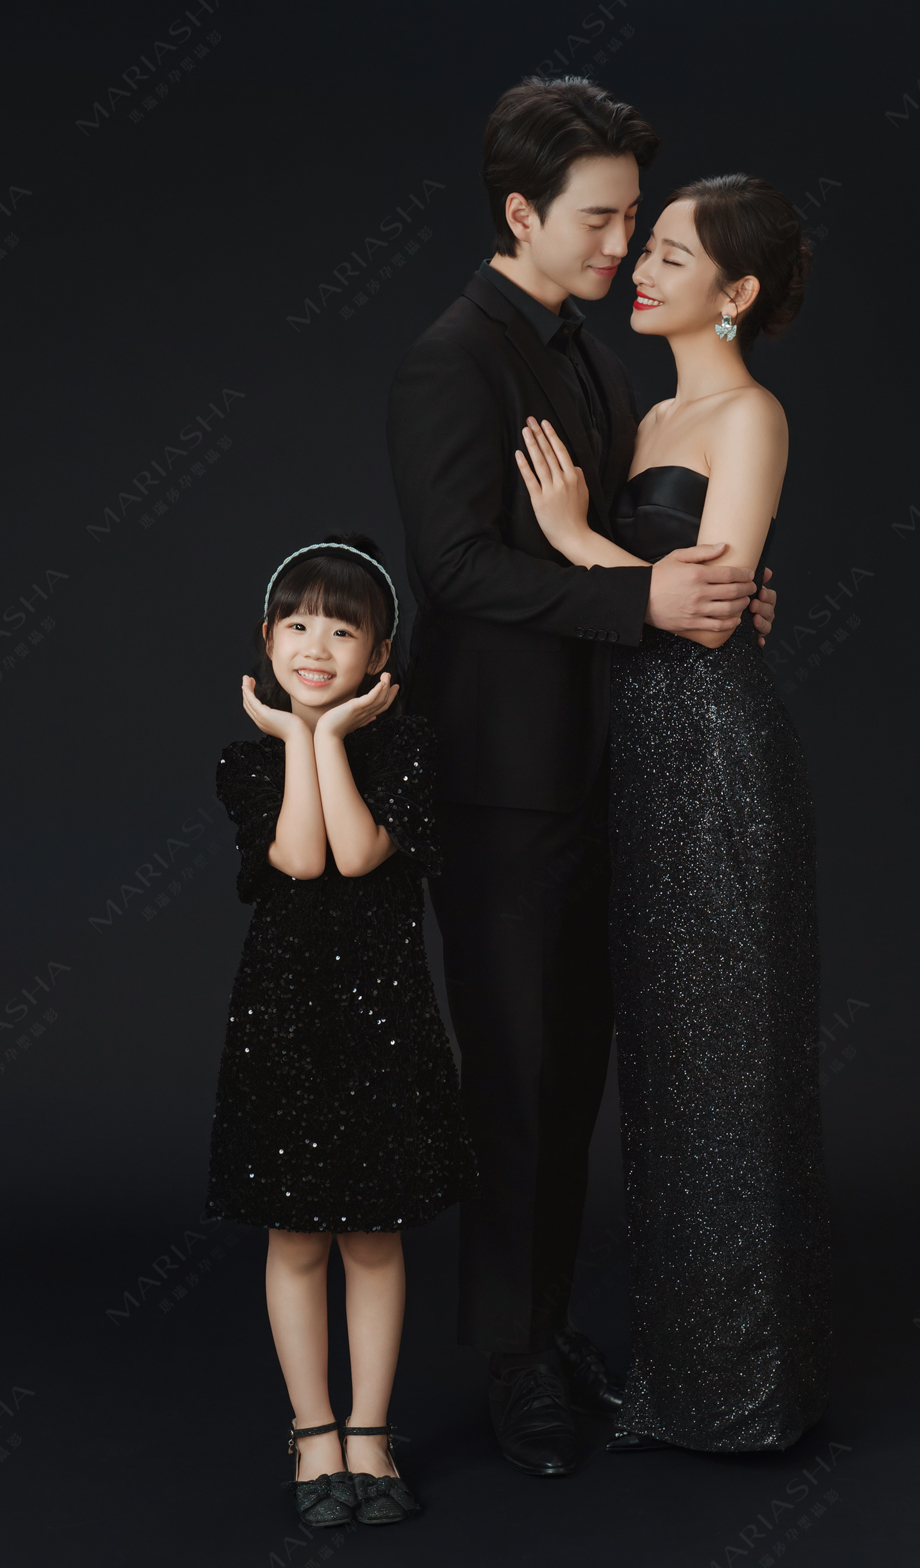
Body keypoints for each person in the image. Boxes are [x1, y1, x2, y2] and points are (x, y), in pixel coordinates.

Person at [386, 77, 778, 1477]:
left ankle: (545, 1330)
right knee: (516, 1074)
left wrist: (717, 588)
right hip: (504, 779)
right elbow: (456, 569)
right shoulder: (454, 357)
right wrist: (642, 602)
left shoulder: (596, 360)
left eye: (632, 221)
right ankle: (513, 1364)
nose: (621, 245)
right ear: (520, 214)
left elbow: (620, 535)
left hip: (609, 761)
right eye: (601, 220)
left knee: (571, 1073)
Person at [515, 175, 831, 1453]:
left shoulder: (750, 413)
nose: (638, 269)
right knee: (666, 1073)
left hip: (715, 763)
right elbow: (685, 592)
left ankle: (744, 1395)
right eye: (642, 246)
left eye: (669, 254)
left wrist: (573, 537)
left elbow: (712, 609)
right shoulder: (649, 415)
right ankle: (682, 1377)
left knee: (733, 1068)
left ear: (736, 292)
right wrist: (621, 562)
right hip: (635, 769)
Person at [206, 534, 476, 1526]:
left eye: (342, 630)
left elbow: (357, 853)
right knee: (296, 1237)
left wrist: (326, 738)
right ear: (267, 637)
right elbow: (301, 855)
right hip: (283, 1024)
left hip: (384, 1024)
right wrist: (298, 738)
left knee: (372, 1235)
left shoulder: (408, 750)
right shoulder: (246, 762)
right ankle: (313, 1428)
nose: (315, 646)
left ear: (380, 655)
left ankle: (370, 1429)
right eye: (297, 624)